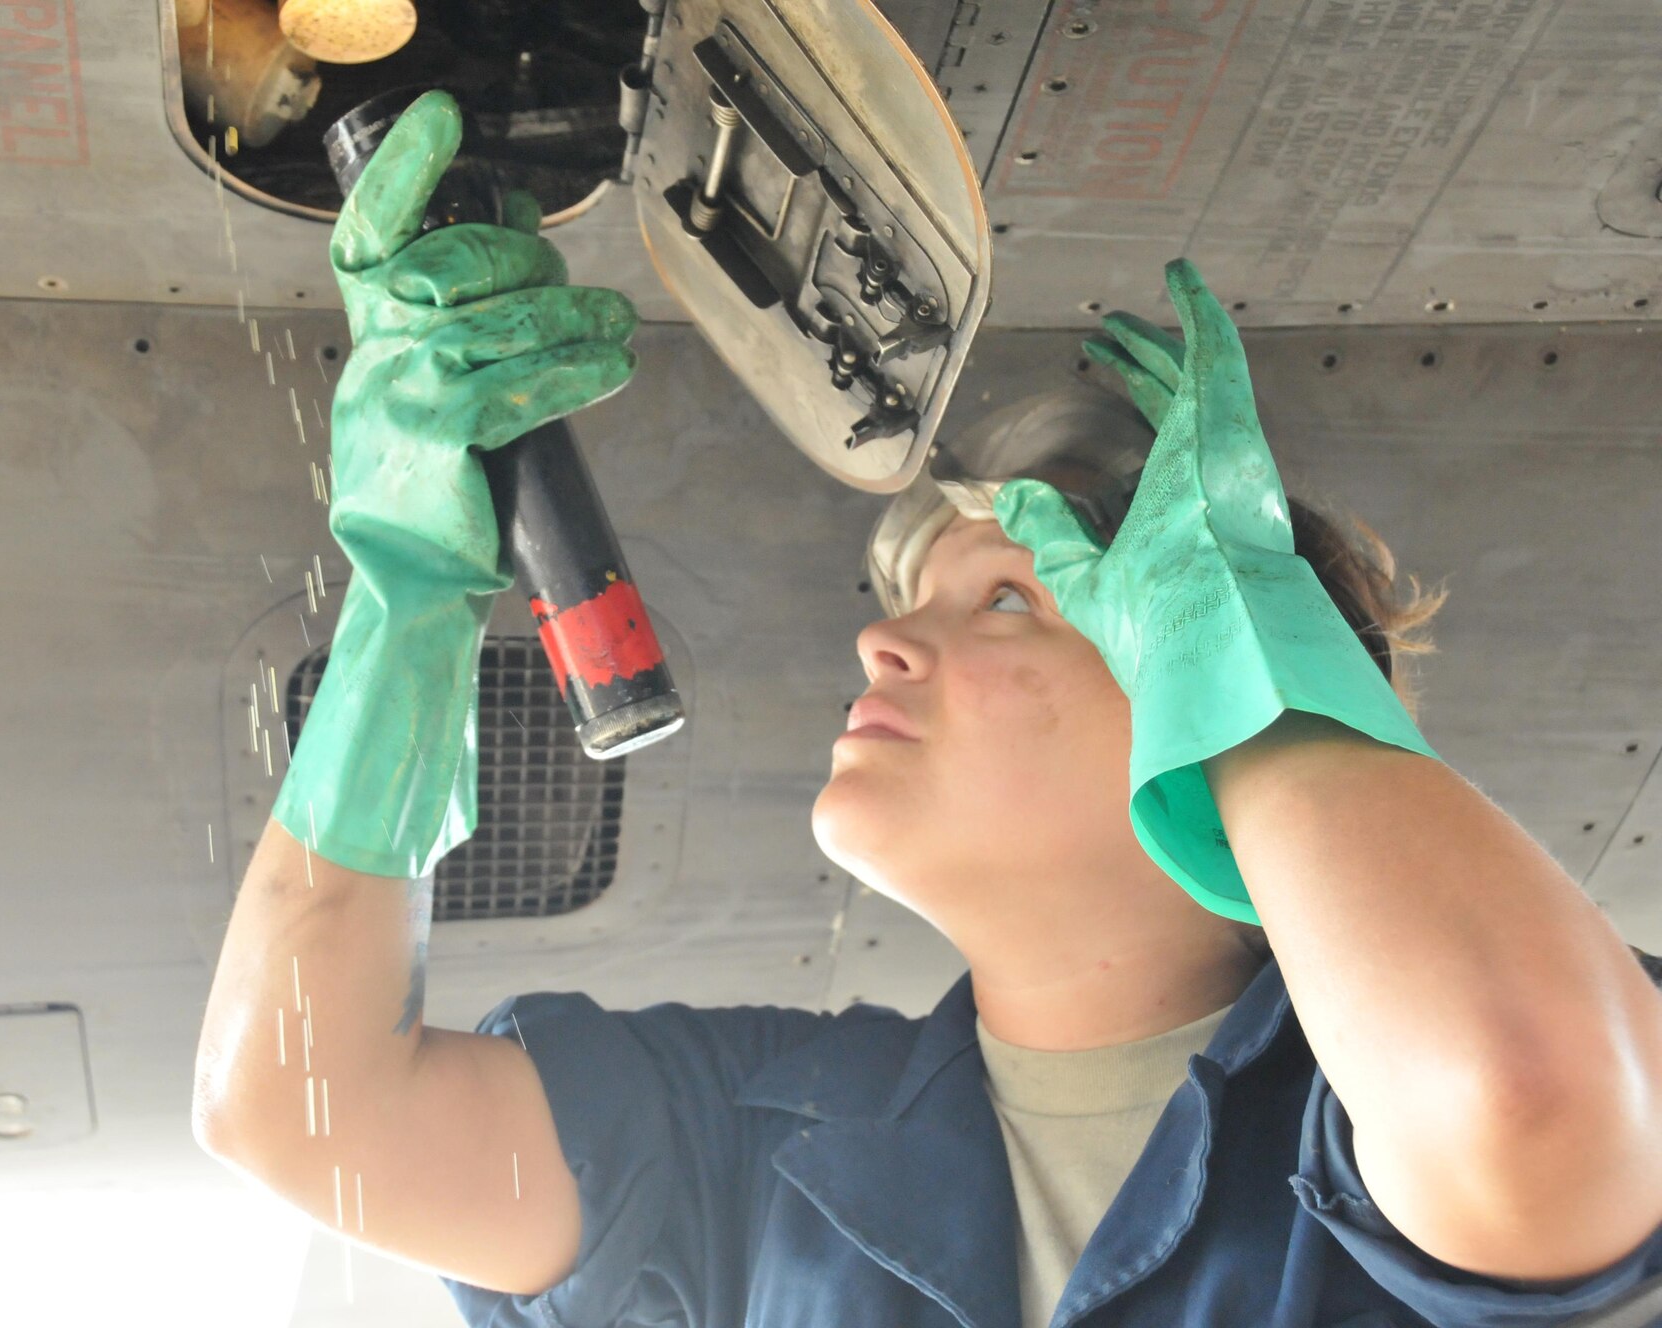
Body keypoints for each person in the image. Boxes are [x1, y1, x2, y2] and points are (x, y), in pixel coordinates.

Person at [191, 91, 1662, 1327]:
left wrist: (1243, 643)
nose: (886, 647)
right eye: (919, 600)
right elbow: (299, 1107)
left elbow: (1522, 1088)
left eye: (1009, 600)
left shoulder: (1388, 1105)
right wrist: (409, 598)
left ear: (1205, 696)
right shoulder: (766, 1136)